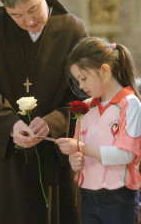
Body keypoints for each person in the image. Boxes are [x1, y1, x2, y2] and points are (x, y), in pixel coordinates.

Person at [0, 0, 88, 224]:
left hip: (55, 146)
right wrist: (12, 124)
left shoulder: (72, 29)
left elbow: (85, 93)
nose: (28, 21)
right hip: (5, 143)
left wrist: (53, 121)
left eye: (33, 9)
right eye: (16, 15)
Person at [56, 37, 141, 224]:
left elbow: (126, 154)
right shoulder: (86, 107)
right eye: (77, 80)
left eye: (84, 78)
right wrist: (75, 158)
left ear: (104, 71)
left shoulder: (129, 103)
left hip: (119, 197)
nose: (80, 86)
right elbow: (80, 149)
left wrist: (82, 148)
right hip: (88, 194)